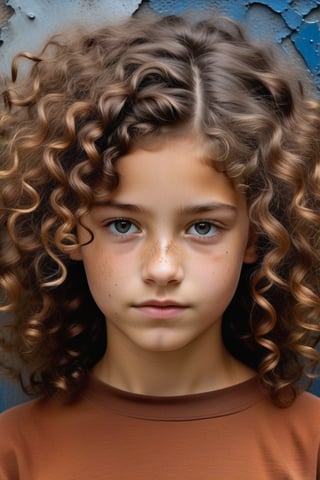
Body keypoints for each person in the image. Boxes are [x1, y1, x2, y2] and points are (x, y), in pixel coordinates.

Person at [0, 11, 319, 479]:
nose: (163, 269)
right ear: (67, 229)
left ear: (254, 235)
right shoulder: (14, 453)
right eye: (124, 225)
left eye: (204, 227)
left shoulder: (309, 447)